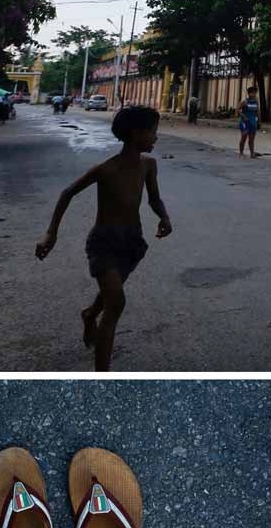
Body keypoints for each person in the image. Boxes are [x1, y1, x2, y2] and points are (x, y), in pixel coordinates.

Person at [35, 105, 172, 371]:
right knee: (116, 301)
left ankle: (89, 314)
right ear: (135, 134)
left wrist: (164, 216)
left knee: (111, 292)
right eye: (153, 131)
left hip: (131, 243)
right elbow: (67, 193)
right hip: (104, 244)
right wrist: (51, 234)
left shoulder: (148, 165)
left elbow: (154, 198)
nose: (156, 136)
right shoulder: (106, 169)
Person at [238, 85, 261, 157]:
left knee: (251, 139)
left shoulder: (256, 102)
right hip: (245, 123)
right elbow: (238, 110)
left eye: (255, 93)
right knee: (244, 137)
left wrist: (258, 122)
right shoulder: (245, 102)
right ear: (249, 93)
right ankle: (241, 153)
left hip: (253, 122)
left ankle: (252, 153)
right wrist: (243, 116)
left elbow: (257, 112)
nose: (254, 94)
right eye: (252, 93)